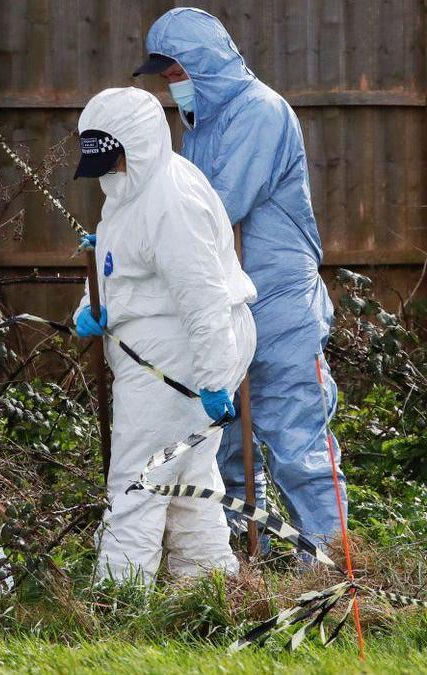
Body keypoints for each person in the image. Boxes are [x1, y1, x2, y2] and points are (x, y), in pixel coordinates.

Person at [133, 7, 344, 554]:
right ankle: (252, 553)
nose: (171, 87)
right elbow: (183, 210)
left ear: (207, 65)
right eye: (167, 78)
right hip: (227, 299)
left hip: (278, 301)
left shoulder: (260, 112)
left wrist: (144, 242)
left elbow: (215, 209)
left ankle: (330, 562)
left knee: (297, 439)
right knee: (227, 440)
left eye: (178, 73)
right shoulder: (199, 125)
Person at [71, 87, 257, 584]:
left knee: (140, 480)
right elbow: (127, 273)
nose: (109, 172)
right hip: (164, 354)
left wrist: (215, 378)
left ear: (139, 145)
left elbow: (203, 299)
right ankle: (209, 588)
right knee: (186, 481)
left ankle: (119, 600)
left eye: (114, 161)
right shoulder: (130, 191)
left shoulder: (171, 201)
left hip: (178, 362)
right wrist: (91, 308)